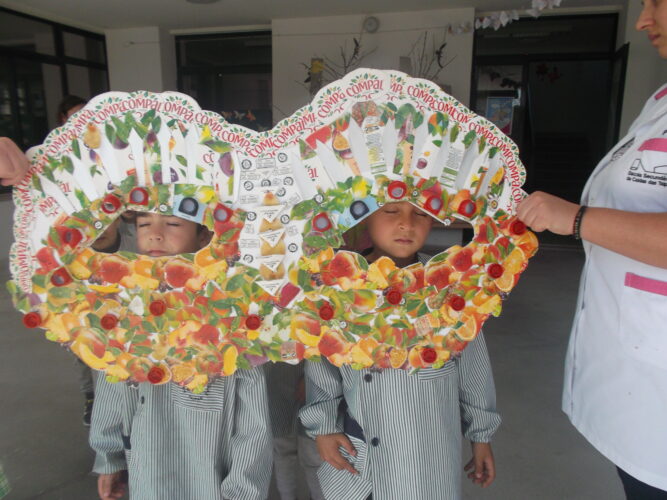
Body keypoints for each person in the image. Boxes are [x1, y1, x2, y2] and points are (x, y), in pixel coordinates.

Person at [517, 3, 667, 498]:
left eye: (657, 3)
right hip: (636, 385)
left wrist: (576, 219)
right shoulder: (660, 101)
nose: (644, 20)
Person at [300, 201, 500, 500]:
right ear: (364, 216)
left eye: (420, 212)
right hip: (364, 449)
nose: (407, 223)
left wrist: (480, 435)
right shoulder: (338, 285)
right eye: (391, 211)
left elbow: (473, 366)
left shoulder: (450, 285)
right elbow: (321, 364)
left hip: (429, 452)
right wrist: (324, 426)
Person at [89, 212, 273, 500]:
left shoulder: (229, 308)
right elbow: (113, 382)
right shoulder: (125, 302)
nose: (156, 234)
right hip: (147, 473)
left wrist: (244, 489)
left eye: (173, 223)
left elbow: (252, 415)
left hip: (212, 479)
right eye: (144, 224)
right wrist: (109, 456)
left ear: (205, 235)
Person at [265, 362, 324, 500]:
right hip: (278, 382)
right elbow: (283, 351)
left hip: (314, 381)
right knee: (283, 450)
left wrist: (308, 377)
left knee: (313, 454)